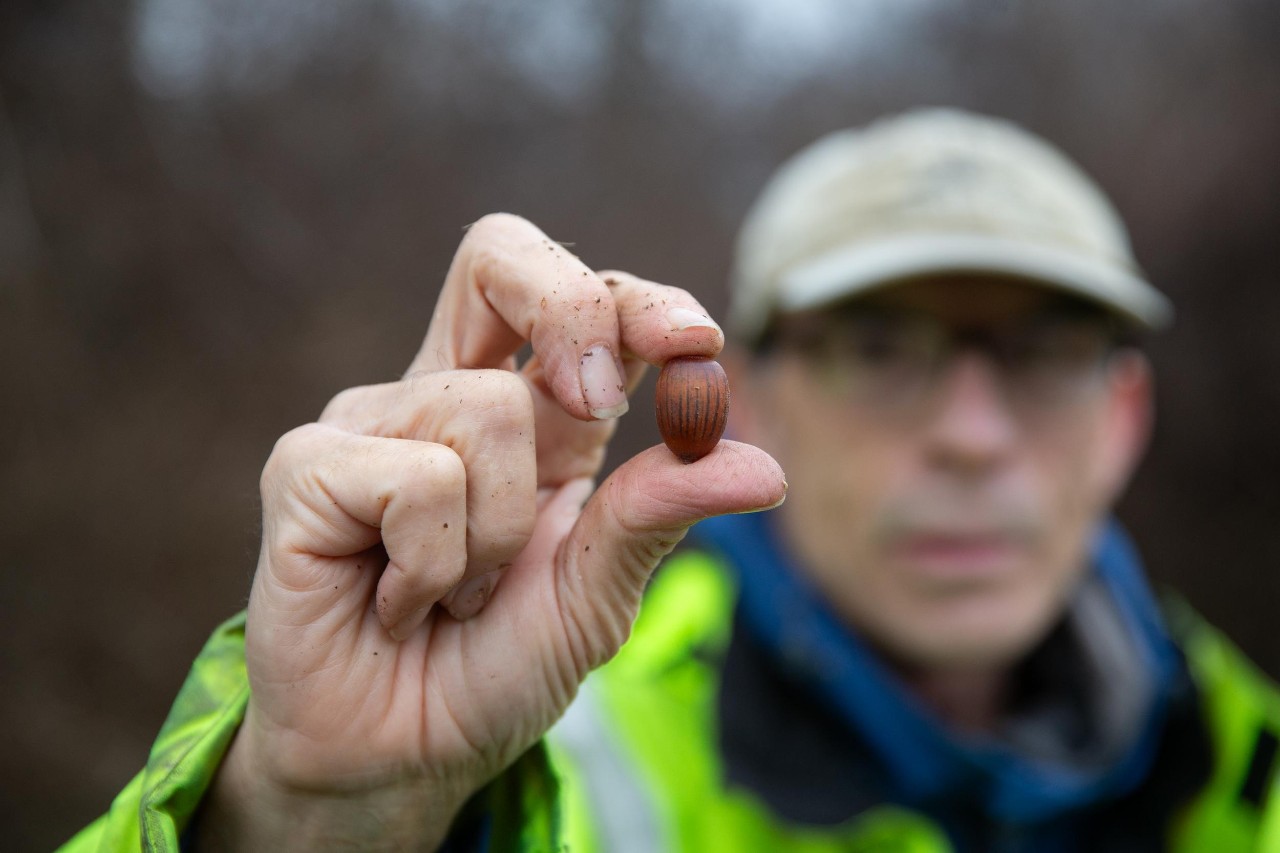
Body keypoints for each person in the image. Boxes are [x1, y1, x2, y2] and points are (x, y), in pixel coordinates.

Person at [62, 109, 1280, 852]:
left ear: (1124, 416)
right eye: (878, 349)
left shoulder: (1253, 772)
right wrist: (313, 823)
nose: (969, 435)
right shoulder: (558, 761)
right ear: (743, 392)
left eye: (1043, 353)